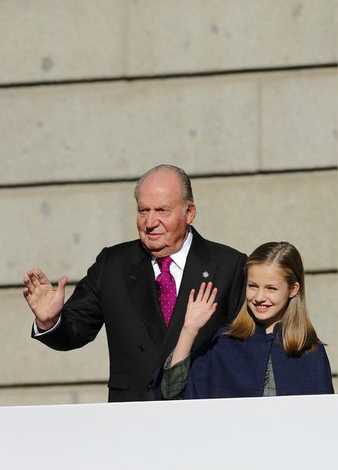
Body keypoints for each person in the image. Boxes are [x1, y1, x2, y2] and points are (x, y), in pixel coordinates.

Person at [22, 164, 246, 402]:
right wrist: (49, 322)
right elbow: (75, 331)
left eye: (162, 210)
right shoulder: (113, 265)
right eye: (143, 211)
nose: (150, 222)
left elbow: (246, 347)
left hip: (200, 412)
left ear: (189, 212)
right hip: (131, 416)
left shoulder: (228, 266)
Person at [161, 241, 333, 399]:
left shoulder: (311, 353)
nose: (259, 297)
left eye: (271, 288)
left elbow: (324, 422)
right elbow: (171, 393)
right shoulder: (222, 344)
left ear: (293, 289)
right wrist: (189, 330)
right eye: (253, 286)